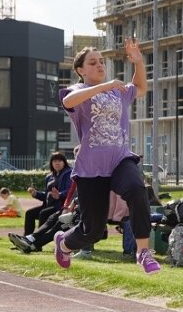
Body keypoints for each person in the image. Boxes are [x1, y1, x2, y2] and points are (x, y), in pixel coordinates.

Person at [55, 39, 161, 274]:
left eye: (102, 61)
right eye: (93, 62)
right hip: (91, 168)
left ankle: (143, 251)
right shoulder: (78, 91)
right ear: (81, 70)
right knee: (93, 230)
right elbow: (67, 101)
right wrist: (104, 87)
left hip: (120, 159)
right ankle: (63, 243)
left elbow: (140, 88)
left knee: (137, 189)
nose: (100, 65)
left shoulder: (117, 91)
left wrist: (138, 63)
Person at [24, 152, 72, 235]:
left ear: (64, 162)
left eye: (60, 161)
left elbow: (70, 190)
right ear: (51, 163)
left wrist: (59, 195)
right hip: (48, 205)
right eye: (55, 161)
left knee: (43, 213)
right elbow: (47, 195)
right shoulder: (49, 176)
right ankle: (26, 238)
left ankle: (36, 241)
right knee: (29, 213)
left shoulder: (68, 173)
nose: (57, 163)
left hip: (60, 206)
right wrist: (36, 194)